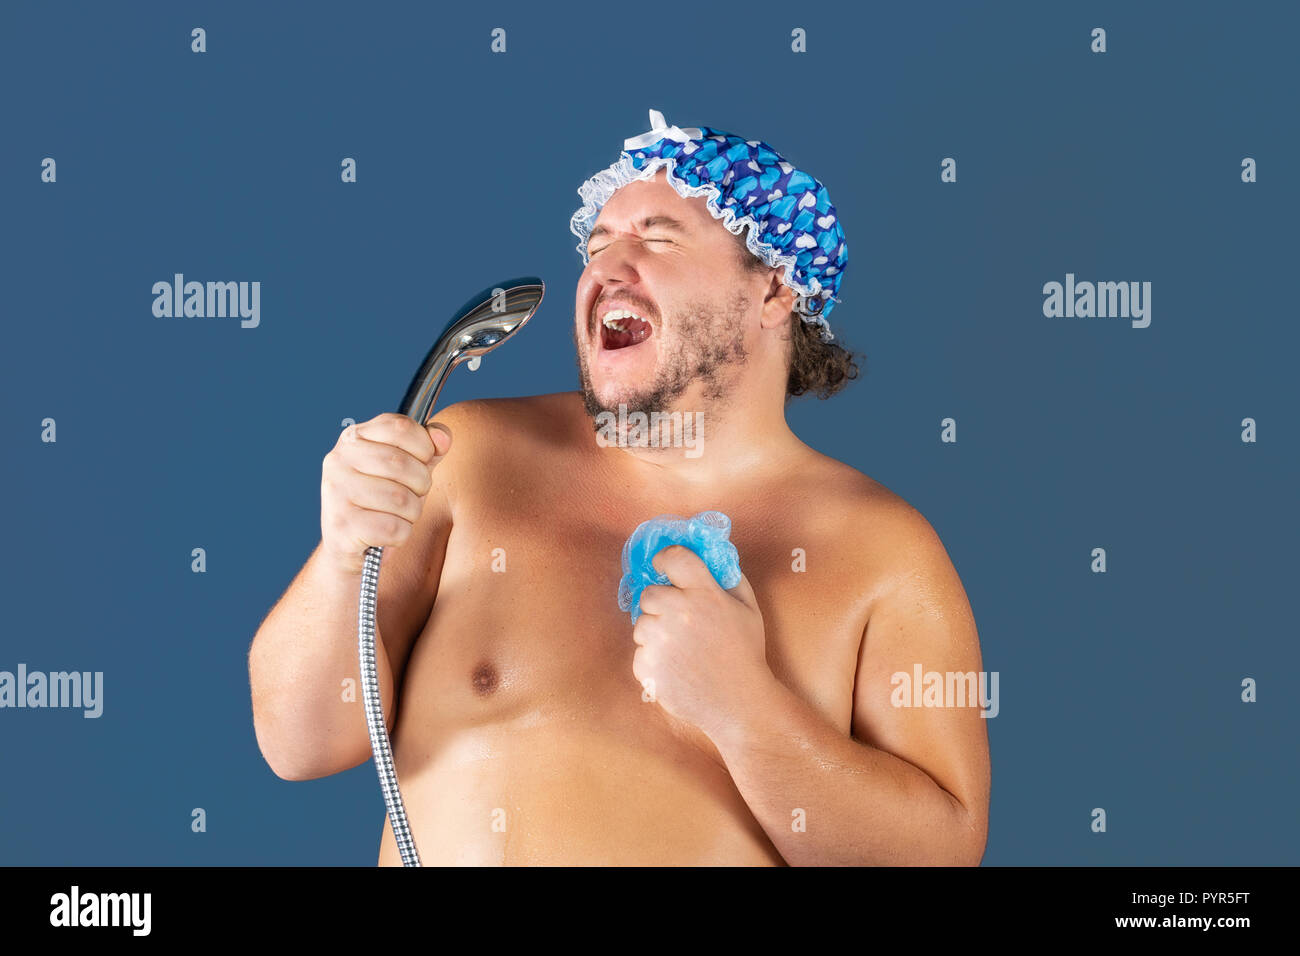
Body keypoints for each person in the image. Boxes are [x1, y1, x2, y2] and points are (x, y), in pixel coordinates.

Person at [249, 109, 990, 865]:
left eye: (658, 237)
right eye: (597, 244)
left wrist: (743, 710)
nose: (605, 268)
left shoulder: (882, 552)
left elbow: (941, 854)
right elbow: (297, 743)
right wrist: (343, 556)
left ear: (774, 291)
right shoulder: (470, 458)